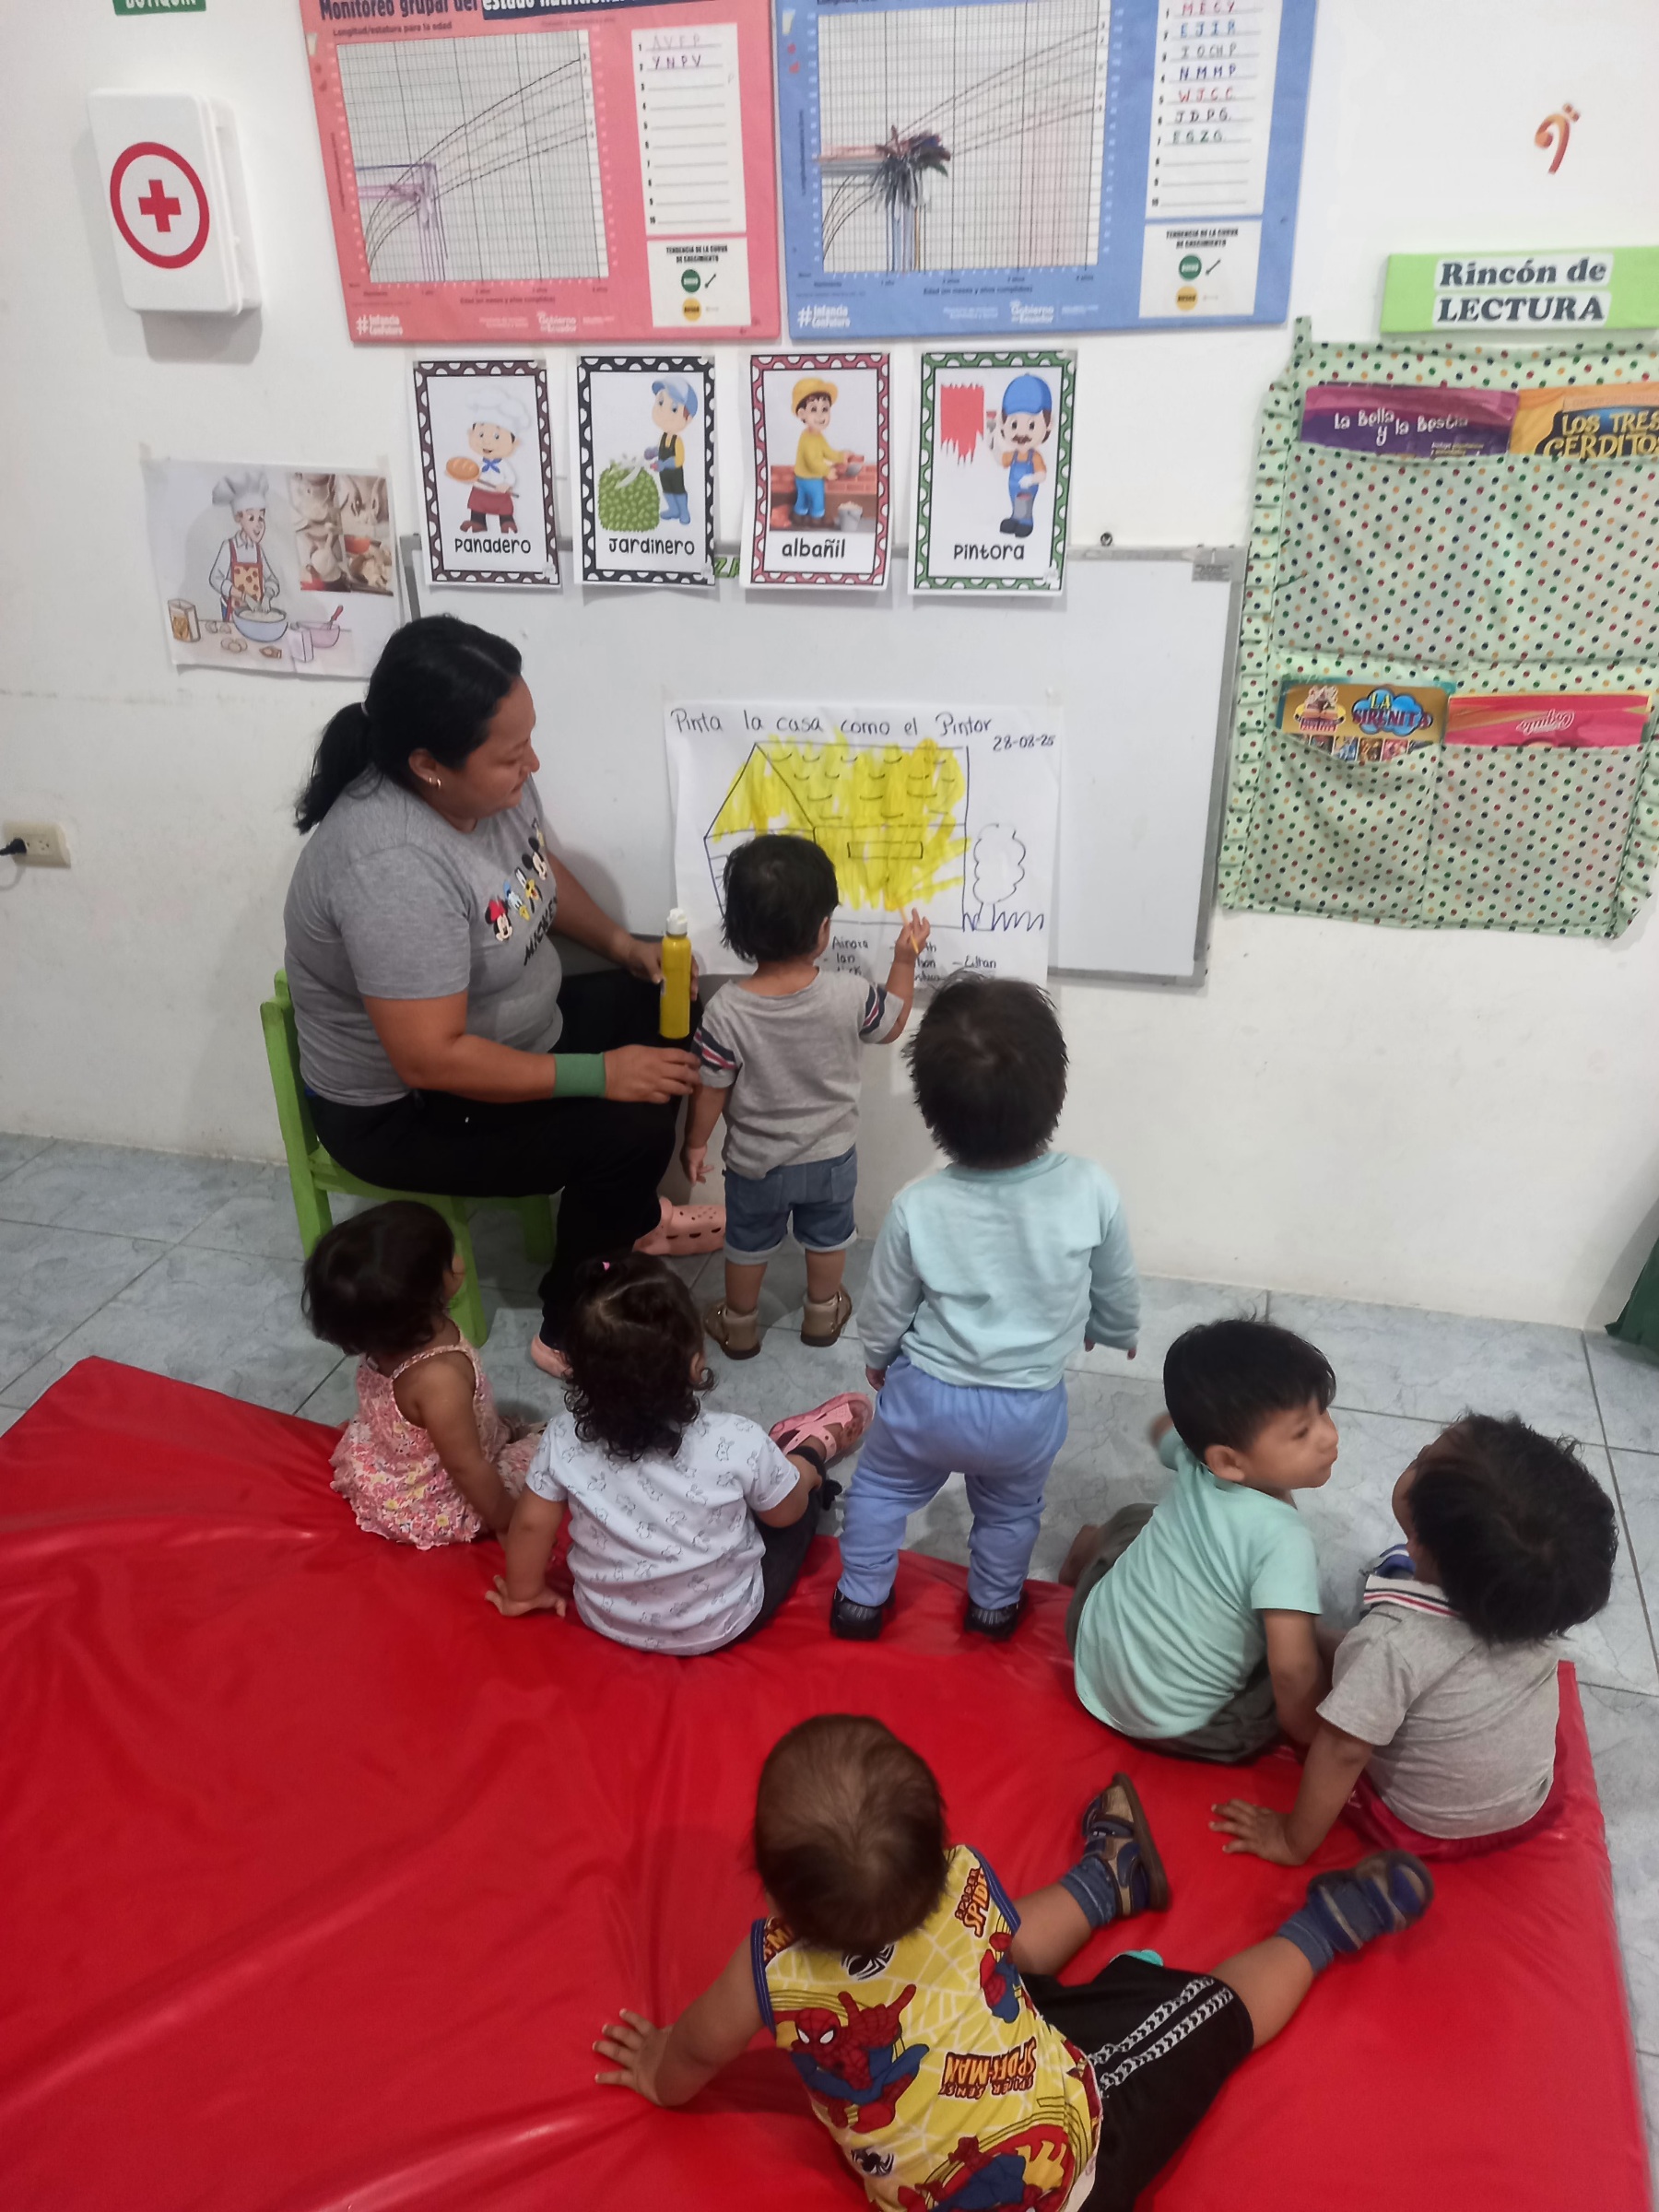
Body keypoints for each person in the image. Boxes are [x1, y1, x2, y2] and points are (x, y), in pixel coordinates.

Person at [592, 1713, 1434, 2212]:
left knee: (1025, 1969)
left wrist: (656, 2071)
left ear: (773, 1887)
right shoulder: (962, 1884)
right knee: (1212, 2016)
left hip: (967, 2101)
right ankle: (1324, 1929)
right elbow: (1018, 1947)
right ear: (936, 1848)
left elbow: (691, 2054)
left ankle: (1113, 1881)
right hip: (1071, 2169)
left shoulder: (767, 1973)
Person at [283, 615, 721, 1375]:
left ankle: (624, 1220)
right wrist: (601, 1074)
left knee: (674, 1010)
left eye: (529, 742)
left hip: (513, 1034)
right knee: (627, 1125)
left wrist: (622, 946)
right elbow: (430, 1059)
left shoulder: (492, 791)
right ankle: (573, 1322)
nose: (533, 764)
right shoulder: (389, 864)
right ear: (428, 765)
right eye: (511, 755)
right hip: (407, 1108)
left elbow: (534, 871)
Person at [832, 978, 1139, 1642]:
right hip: (1026, 1410)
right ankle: (993, 1607)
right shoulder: (1090, 1187)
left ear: (931, 1110)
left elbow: (886, 1304)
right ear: (1056, 1093)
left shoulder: (918, 1203)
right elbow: (1115, 1276)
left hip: (927, 1400)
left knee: (881, 1491)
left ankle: (859, 1600)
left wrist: (879, 1358)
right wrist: (1114, 1326)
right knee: (1010, 1510)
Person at [1212, 1414, 1618, 1865]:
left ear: (1420, 1546)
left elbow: (1343, 1751)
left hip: (1422, 1825)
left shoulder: (1391, 1641)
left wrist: (1292, 1840)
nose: (1421, 1451)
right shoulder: (1535, 1603)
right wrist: (1324, 1638)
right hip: (1526, 1803)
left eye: (1421, 1462)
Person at [487, 1254, 871, 1653]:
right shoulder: (737, 1439)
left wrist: (523, 1594)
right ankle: (809, 1448)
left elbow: (529, 1526)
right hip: (725, 1623)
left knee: (763, 1486)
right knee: (796, 1504)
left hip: (606, 1618)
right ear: (695, 1363)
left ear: (572, 1366)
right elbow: (784, 1514)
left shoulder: (561, 1437)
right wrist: (804, 1478)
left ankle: (789, 1466)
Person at [683, 834, 928, 1359]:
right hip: (830, 1159)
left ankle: (740, 1324)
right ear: (823, 930)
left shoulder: (725, 1010)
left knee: (746, 1244)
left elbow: (711, 1088)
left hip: (755, 1164)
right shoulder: (849, 994)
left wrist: (696, 1143)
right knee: (827, 1239)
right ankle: (822, 1313)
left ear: (738, 931)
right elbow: (892, 1024)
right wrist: (904, 959)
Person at [1061, 1321, 1335, 1762]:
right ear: (1227, 1460)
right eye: (1302, 1432)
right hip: (1175, 1723)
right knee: (1288, 1652)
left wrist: (1197, 1418)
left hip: (1088, 1643)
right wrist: (1312, 1735)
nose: (1329, 1436)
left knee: (1137, 1519)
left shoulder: (1196, 1456)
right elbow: (1292, 1671)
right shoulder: (1286, 1541)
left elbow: (1162, 1428)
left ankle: (1084, 1555)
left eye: (1323, 1413)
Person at [302, 1199, 540, 1547]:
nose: (459, 1259)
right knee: (548, 1452)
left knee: (505, 1425)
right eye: (449, 1256)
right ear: (429, 1290)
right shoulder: (440, 1378)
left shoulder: (384, 1331)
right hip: (432, 1501)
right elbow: (466, 1468)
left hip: (386, 1469)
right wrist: (509, 1521)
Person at [789, 377, 863, 525]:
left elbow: (827, 452)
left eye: (825, 409)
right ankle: (817, 518)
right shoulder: (808, 439)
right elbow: (812, 461)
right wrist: (826, 471)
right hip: (812, 479)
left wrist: (841, 456)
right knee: (817, 499)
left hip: (801, 477)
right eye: (813, 409)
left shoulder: (817, 436)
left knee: (803, 500)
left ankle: (798, 515)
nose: (820, 415)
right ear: (802, 414)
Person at [998, 374, 1053, 540]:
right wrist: (991, 443)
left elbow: (1042, 474)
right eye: (1014, 425)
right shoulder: (1013, 455)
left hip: (1028, 489)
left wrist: (1031, 479)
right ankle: (1015, 518)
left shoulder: (1034, 456)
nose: (1021, 434)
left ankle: (1026, 522)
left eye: (1031, 425)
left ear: (1048, 425)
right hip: (1014, 490)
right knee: (1016, 504)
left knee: (1025, 505)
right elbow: (1001, 460)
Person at [647, 376, 697, 526]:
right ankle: (674, 510)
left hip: (675, 472)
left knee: (678, 490)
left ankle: (684, 511)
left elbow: (679, 460)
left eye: (674, 409)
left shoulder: (677, 441)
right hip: (664, 473)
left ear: (688, 418)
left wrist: (664, 464)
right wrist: (653, 452)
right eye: (660, 402)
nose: (663, 412)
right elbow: (660, 449)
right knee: (667, 490)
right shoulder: (663, 437)